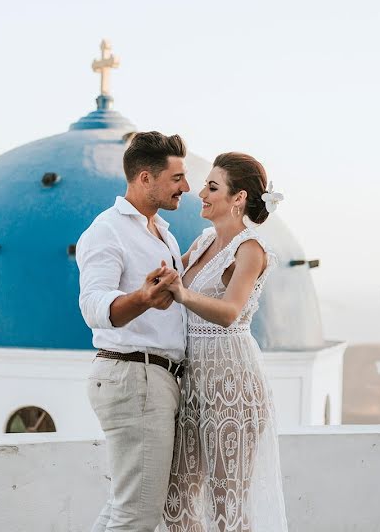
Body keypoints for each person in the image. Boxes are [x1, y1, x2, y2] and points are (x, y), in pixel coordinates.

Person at [160, 152, 289, 532]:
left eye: (212, 187)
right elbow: (170, 278)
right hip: (193, 381)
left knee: (226, 504)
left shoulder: (251, 249)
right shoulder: (202, 242)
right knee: (177, 501)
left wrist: (182, 294)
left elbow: (231, 311)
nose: (201, 192)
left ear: (239, 198)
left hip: (232, 378)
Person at [76, 131, 191, 532]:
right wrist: (142, 298)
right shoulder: (107, 230)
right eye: (177, 178)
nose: (186, 187)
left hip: (151, 378)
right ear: (145, 178)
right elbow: (92, 305)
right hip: (134, 376)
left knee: (124, 508)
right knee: (137, 514)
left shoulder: (163, 233)